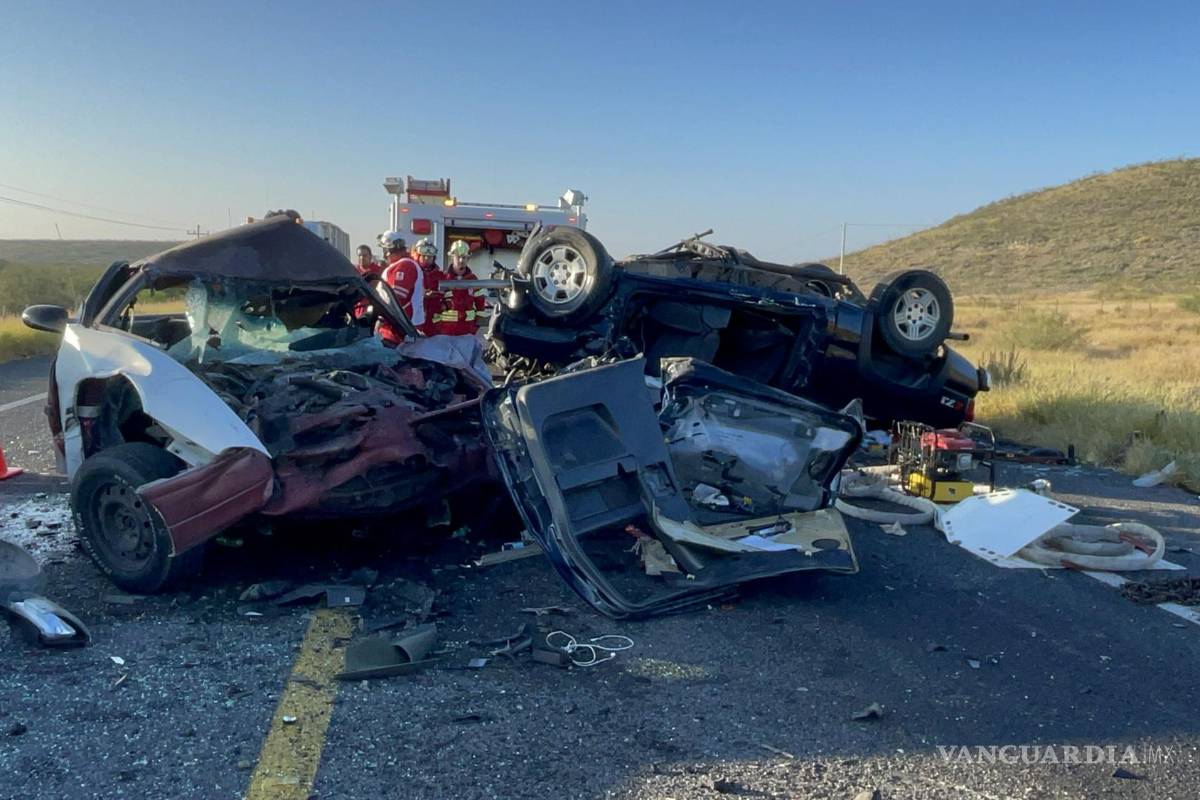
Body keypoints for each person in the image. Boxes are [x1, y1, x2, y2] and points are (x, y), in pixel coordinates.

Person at [377, 230, 423, 345]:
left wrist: (382, 318)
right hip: (398, 327)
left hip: (398, 329)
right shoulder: (402, 265)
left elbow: (396, 299)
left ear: (388, 250)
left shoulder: (404, 265)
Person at [435, 239, 488, 336]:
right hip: (446, 332)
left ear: (468, 259)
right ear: (452, 258)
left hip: (467, 331)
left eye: (464, 257)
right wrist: (439, 328)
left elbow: (481, 306)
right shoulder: (443, 278)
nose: (461, 261)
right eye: (458, 257)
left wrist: (474, 327)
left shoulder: (473, 280)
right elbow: (434, 306)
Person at [411, 238, 446, 336]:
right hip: (414, 322)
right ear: (417, 255)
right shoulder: (411, 273)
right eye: (424, 256)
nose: (427, 258)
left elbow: (448, 295)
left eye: (430, 256)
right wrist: (422, 295)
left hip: (434, 326)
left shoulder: (440, 276)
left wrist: (444, 303)